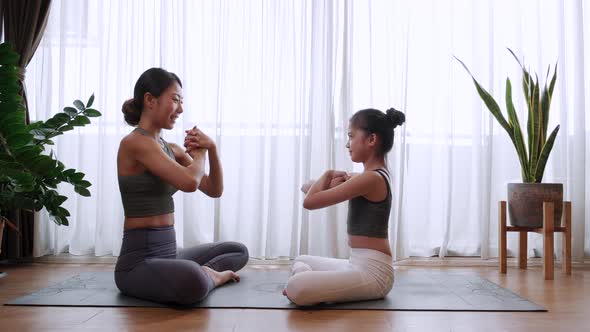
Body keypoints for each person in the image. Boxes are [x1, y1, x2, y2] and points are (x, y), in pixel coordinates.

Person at [115, 68, 249, 305]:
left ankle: (192, 273)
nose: (180, 109)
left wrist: (212, 149)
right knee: (193, 282)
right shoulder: (135, 143)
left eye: (181, 101)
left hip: (169, 253)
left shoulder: (172, 149)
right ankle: (207, 277)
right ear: (150, 100)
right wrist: (199, 156)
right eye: (175, 100)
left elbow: (213, 189)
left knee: (238, 251)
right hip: (137, 263)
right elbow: (189, 182)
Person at [284, 107, 405, 306]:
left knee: (297, 287)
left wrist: (328, 173)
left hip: (375, 274)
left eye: (351, 136)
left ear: (372, 140)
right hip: (355, 264)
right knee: (301, 259)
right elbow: (307, 187)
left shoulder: (371, 179)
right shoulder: (364, 178)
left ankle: (302, 286)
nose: (347, 144)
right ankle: (308, 285)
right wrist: (328, 182)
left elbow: (310, 202)